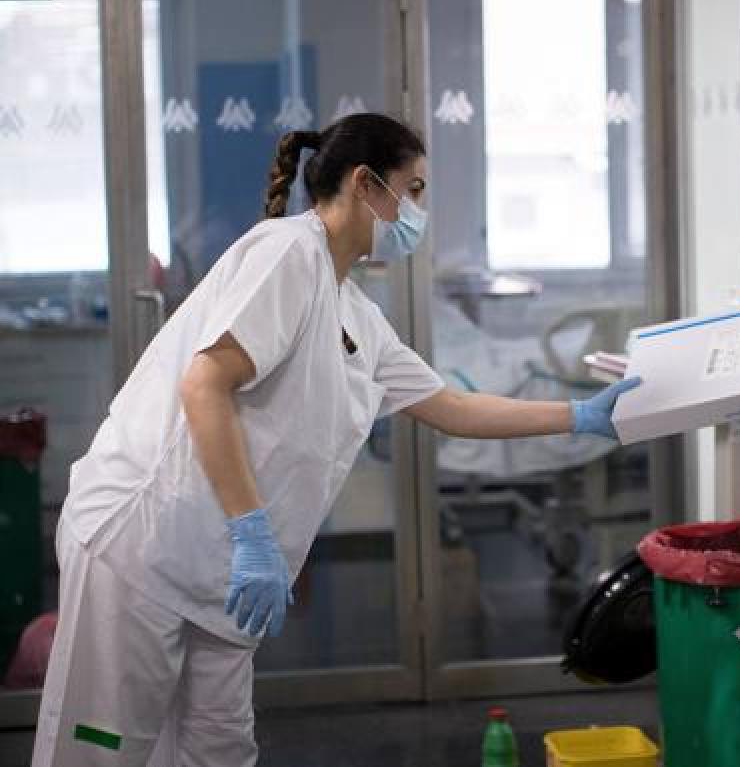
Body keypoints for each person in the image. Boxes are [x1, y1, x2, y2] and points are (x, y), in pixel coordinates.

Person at [32, 113, 640, 766]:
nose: (419, 211)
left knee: (218, 746)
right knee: (103, 746)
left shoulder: (357, 312)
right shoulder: (286, 254)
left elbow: (453, 407)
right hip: (145, 543)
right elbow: (204, 385)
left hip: (223, 568)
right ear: (365, 184)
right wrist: (253, 532)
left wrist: (580, 415)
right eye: (414, 189)